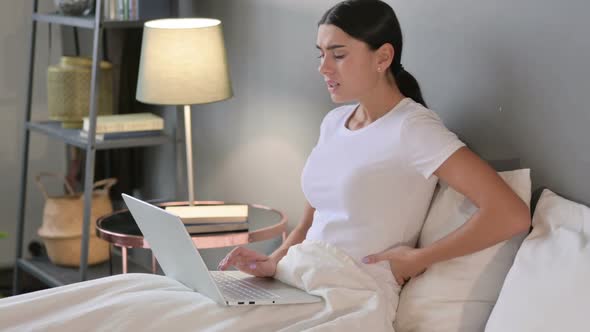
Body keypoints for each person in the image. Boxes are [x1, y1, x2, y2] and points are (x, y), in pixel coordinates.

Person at [218, 0, 530, 290]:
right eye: (321, 54)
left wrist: (419, 258)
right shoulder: (334, 122)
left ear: (382, 57)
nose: (323, 67)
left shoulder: (413, 128)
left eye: (338, 55)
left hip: (351, 294)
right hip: (297, 280)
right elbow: (312, 223)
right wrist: (273, 262)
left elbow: (510, 213)